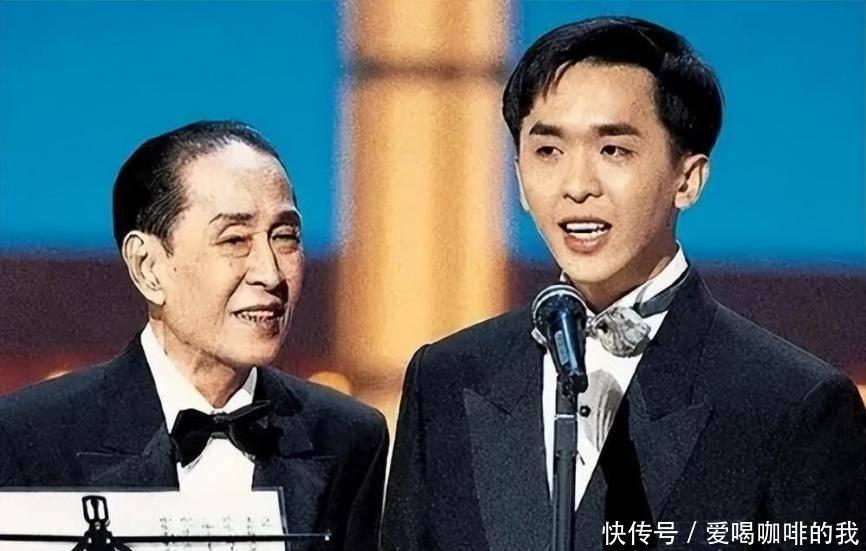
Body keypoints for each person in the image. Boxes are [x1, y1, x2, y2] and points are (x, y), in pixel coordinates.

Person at [382, 16, 866, 550]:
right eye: (548, 151)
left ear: (688, 179)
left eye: (613, 150)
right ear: (518, 177)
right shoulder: (446, 379)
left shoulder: (792, 405)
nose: (577, 186)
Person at [0, 121, 388, 550]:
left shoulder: (348, 438)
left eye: (284, 237)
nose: (270, 273)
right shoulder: (29, 437)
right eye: (235, 240)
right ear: (148, 267)